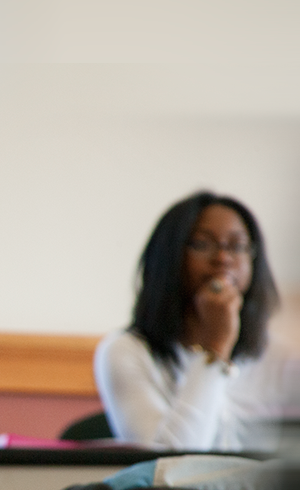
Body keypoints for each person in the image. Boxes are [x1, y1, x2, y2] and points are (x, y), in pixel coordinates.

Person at [94, 191, 287, 451]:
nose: (223, 258)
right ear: (169, 257)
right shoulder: (125, 351)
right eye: (202, 244)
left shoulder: (282, 356)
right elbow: (166, 467)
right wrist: (216, 348)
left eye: (237, 245)